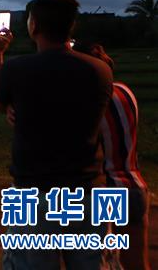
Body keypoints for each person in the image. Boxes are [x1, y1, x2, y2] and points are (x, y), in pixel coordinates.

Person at [0, 0, 113, 269]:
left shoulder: (17, 69)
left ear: (33, 26)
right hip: (90, 189)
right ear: (71, 27)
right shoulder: (100, 70)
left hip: (33, 191)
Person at [74, 42, 150, 270]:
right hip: (135, 186)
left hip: (104, 192)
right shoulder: (126, 91)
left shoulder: (90, 102)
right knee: (137, 264)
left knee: (99, 262)